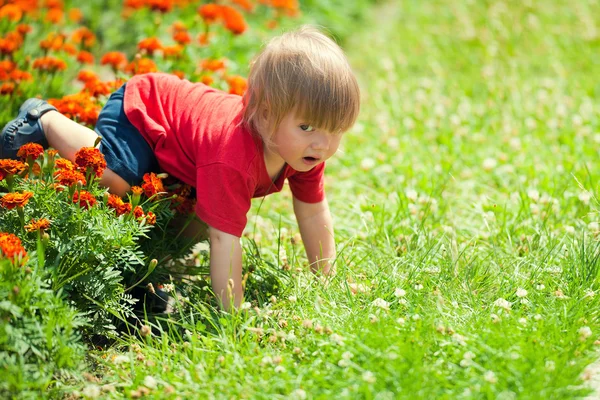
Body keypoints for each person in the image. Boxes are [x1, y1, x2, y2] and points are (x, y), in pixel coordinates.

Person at [0, 25, 361, 310]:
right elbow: (227, 241)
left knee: (194, 224)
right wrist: (232, 318)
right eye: (307, 127)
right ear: (265, 115)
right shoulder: (232, 155)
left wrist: (324, 280)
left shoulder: (307, 150)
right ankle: (44, 119)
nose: (323, 144)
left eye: (335, 131)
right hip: (143, 111)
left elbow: (313, 213)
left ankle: (152, 264)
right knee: (117, 179)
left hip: (182, 143)